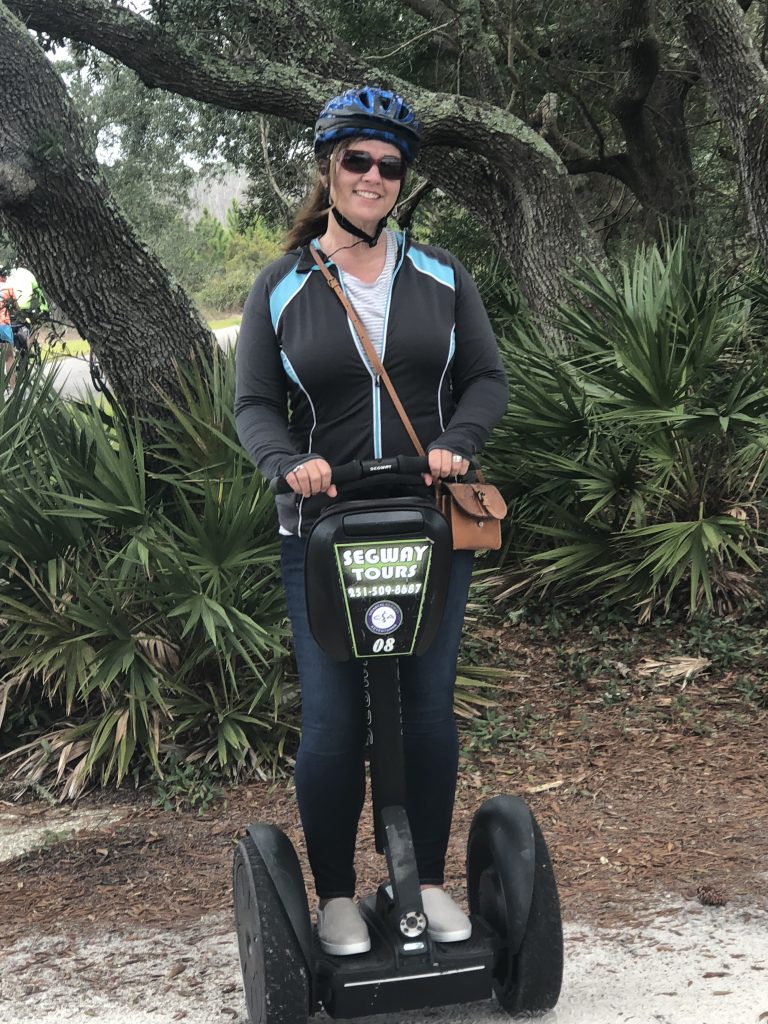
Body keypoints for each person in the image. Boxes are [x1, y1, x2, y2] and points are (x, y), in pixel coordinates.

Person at [235, 86, 508, 956]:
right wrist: (289, 463)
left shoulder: (441, 276)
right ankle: (339, 896)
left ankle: (424, 879)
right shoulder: (281, 285)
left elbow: (486, 381)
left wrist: (459, 442)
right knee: (332, 720)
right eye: (358, 159)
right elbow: (253, 404)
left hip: (426, 523)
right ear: (329, 167)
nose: (374, 176)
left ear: (402, 181)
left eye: (390, 165)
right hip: (321, 531)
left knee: (427, 707)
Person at [0, 265, 19, 388]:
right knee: (9, 358)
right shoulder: (8, 287)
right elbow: (16, 307)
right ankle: (13, 390)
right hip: (4, 324)